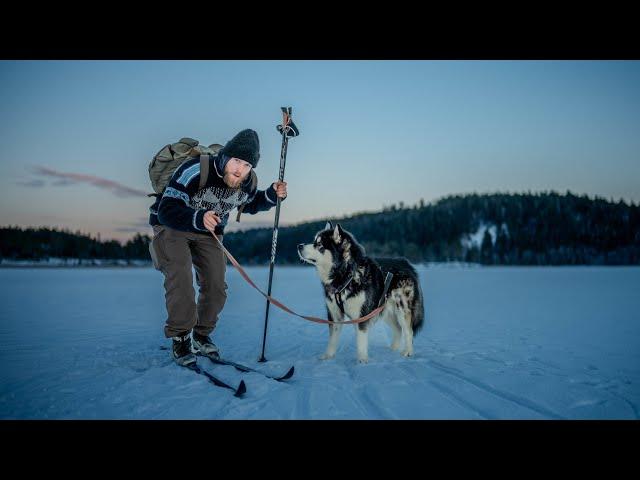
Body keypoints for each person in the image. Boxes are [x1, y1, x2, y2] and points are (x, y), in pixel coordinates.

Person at [148, 129, 287, 366]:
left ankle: (200, 335)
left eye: (246, 165)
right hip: (172, 227)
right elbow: (166, 208)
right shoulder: (195, 169)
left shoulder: (247, 182)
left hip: (209, 234)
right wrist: (197, 217)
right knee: (180, 277)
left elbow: (249, 204)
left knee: (216, 285)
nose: (240, 169)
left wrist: (272, 196)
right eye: (236, 161)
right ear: (225, 156)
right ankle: (181, 336)